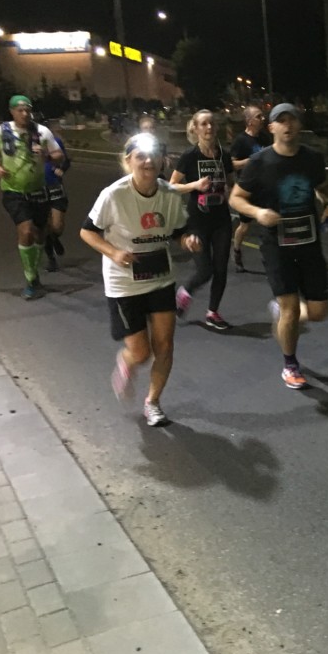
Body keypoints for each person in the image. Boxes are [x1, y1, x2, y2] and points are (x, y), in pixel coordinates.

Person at [80, 133, 201, 427]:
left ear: (162, 160)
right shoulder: (114, 194)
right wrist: (113, 252)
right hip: (124, 284)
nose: (148, 161)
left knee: (165, 346)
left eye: (154, 155)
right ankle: (127, 361)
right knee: (141, 352)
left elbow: (178, 230)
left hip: (160, 278)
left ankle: (153, 402)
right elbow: (87, 231)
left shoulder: (169, 194)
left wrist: (187, 240)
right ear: (128, 161)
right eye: (140, 156)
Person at [230, 103, 328, 389]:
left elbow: (323, 187)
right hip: (276, 245)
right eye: (281, 121)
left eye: (292, 120)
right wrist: (258, 213)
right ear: (272, 128)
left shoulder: (312, 158)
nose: (288, 125)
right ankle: (290, 365)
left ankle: (281, 314)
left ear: (299, 125)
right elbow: (236, 198)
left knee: (319, 312)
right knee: (291, 308)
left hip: (309, 242)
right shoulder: (259, 162)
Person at [0, 95, 64, 300]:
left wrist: (46, 155)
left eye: (28, 110)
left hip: (39, 190)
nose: (25, 114)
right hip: (13, 191)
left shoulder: (42, 132)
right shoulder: (0, 131)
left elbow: (59, 155)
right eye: (20, 110)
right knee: (26, 231)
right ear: (12, 111)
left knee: (40, 234)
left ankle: (34, 273)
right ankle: (30, 278)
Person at [168, 110, 234, 331]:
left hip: (222, 219)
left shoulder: (223, 155)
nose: (209, 128)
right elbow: (172, 186)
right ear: (195, 128)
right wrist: (194, 185)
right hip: (197, 220)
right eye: (204, 124)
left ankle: (213, 312)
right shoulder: (189, 156)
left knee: (221, 268)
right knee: (205, 270)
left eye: (212, 123)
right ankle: (185, 292)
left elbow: (231, 183)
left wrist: (234, 195)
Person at [229, 105, 267, 272]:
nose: (263, 119)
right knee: (245, 226)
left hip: (264, 187)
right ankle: (237, 250)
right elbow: (232, 164)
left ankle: (269, 258)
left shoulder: (265, 138)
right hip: (247, 189)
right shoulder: (241, 141)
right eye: (259, 116)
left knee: (268, 224)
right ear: (249, 121)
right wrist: (251, 160)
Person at [43, 135, 72, 272]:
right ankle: (51, 258)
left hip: (54, 187)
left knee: (57, 226)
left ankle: (54, 237)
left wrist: (62, 169)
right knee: (43, 226)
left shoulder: (54, 141)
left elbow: (66, 160)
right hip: (36, 188)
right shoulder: (24, 142)